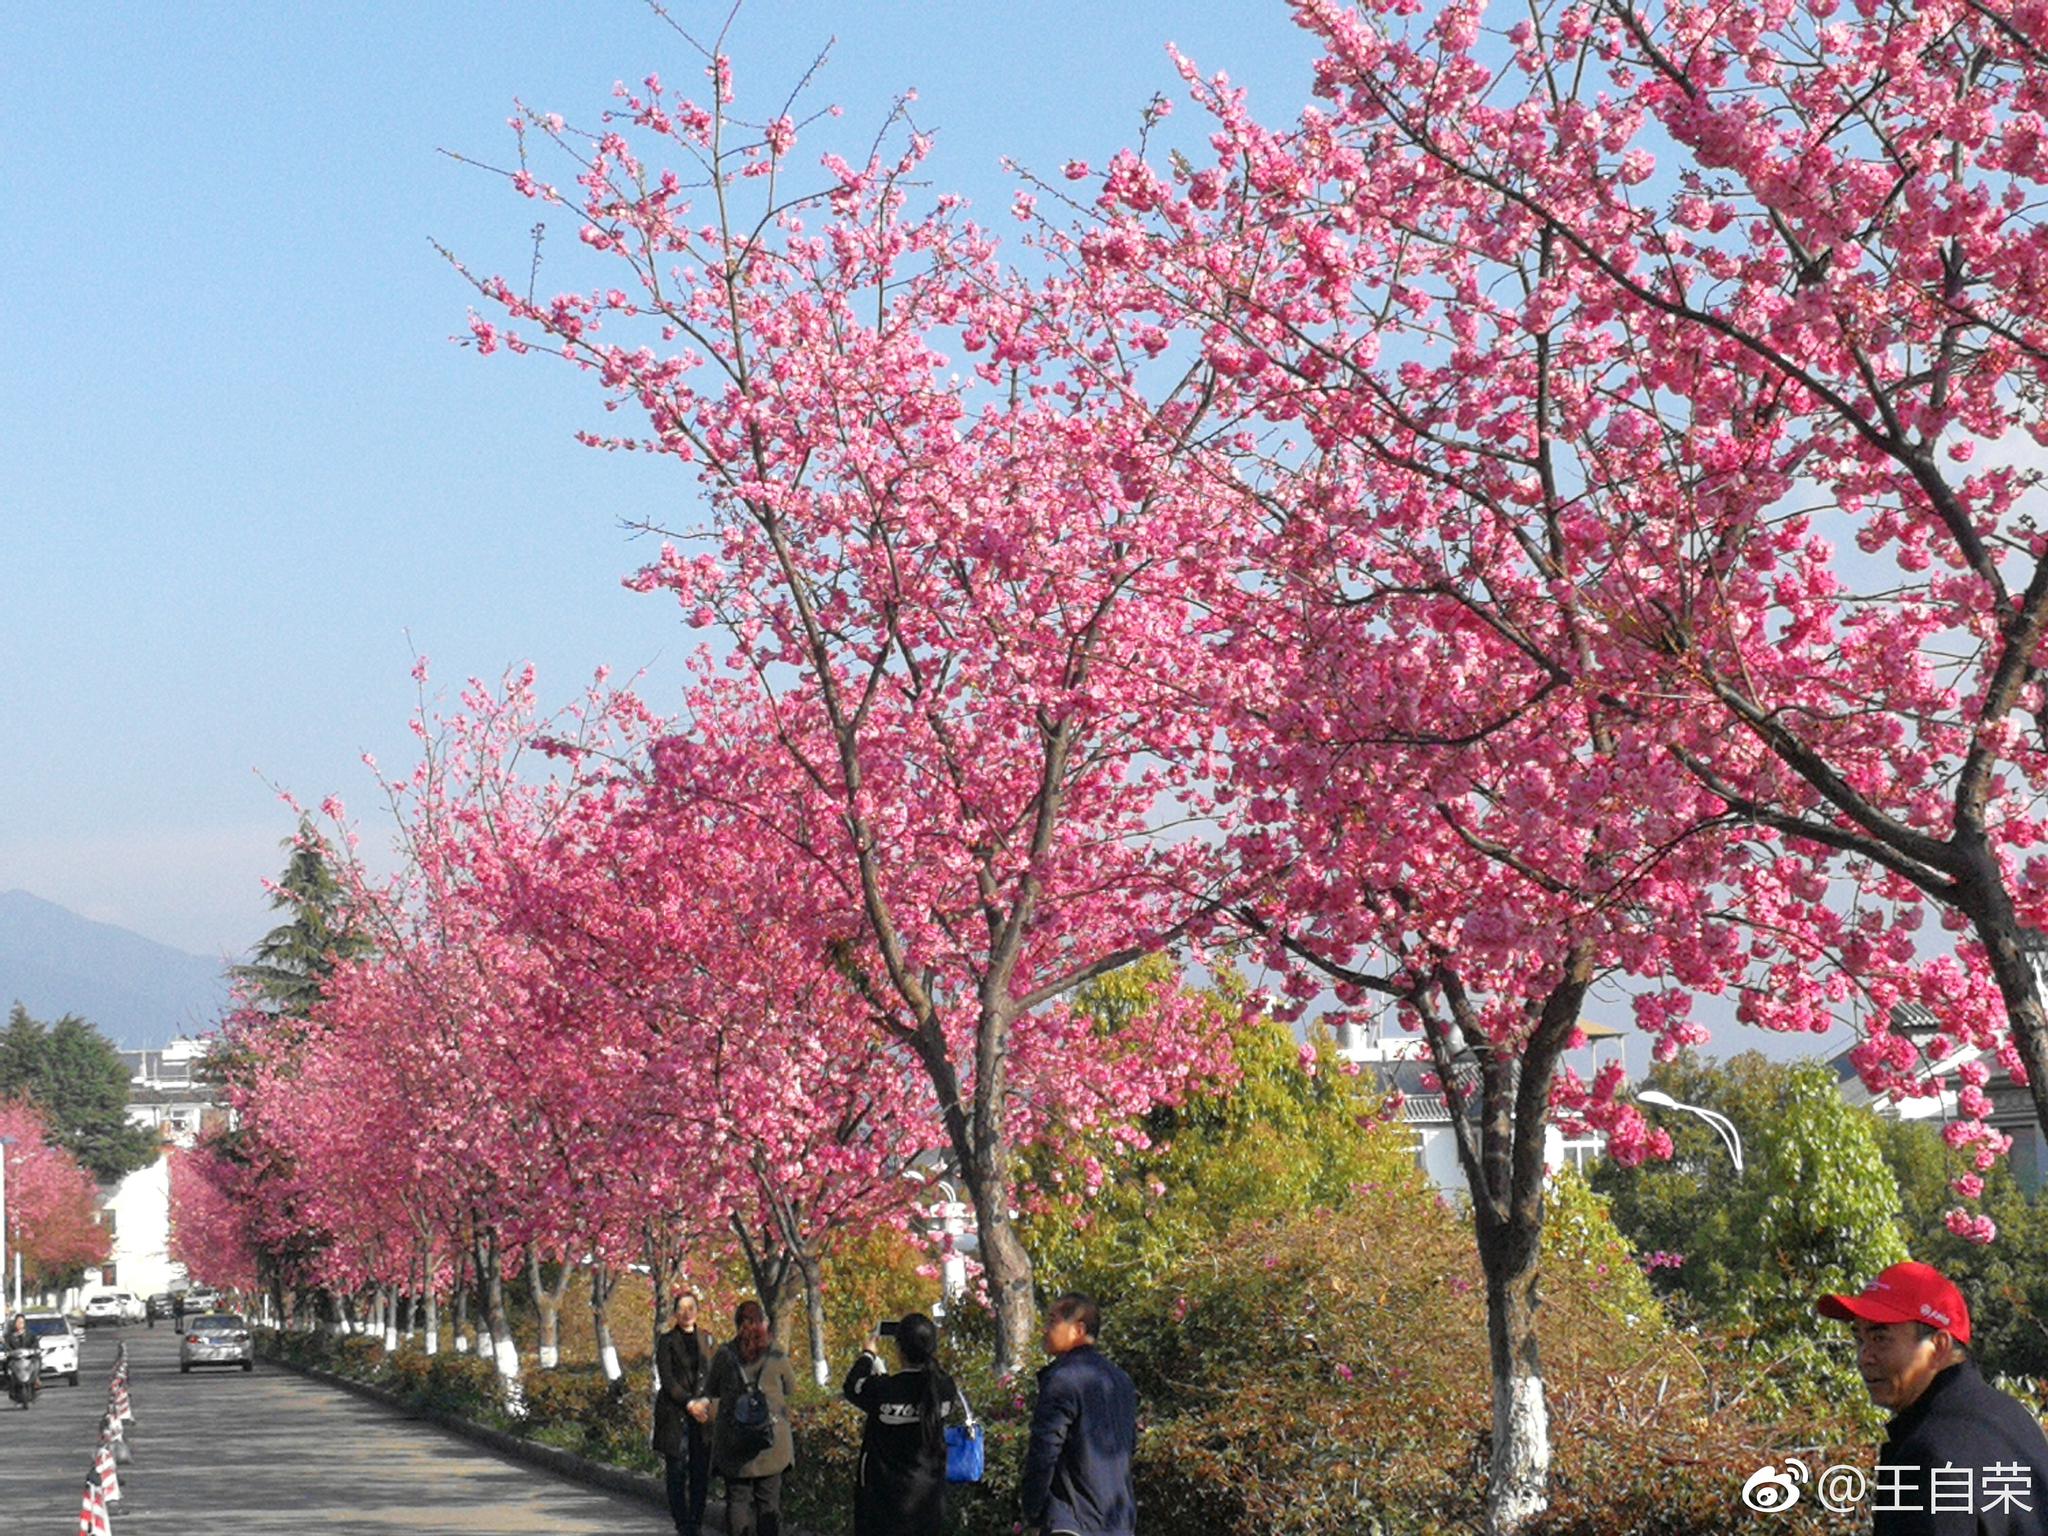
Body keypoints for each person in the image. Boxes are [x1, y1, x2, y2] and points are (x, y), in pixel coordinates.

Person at [1818, 1260, 2048, 1536]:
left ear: (1938, 1347)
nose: (1864, 1357)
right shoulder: (2012, 1416)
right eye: (1860, 1339)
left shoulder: (1928, 1453)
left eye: (1880, 1338)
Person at [1020, 1293, 1137, 1536]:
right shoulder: (1121, 1380)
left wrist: (1032, 1509)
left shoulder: (1062, 1380)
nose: (1045, 1329)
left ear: (1078, 1330)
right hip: (1119, 1519)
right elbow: (1129, 1446)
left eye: (1053, 1321)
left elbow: (1044, 1450)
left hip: (1072, 1520)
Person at [843, 1312, 963, 1536]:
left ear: (900, 1349)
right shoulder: (945, 1388)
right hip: (928, 1498)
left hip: (885, 1500)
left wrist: (868, 1354)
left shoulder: (884, 1389)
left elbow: (853, 1387)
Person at [700, 1298, 797, 1536]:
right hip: (770, 1440)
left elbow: (711, 1390)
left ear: (736, 1324)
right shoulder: (775, 1353)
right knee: (769, 1504)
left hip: (735, 1440)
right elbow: (791, 1387)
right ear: (762, 1322)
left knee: (737, 1500)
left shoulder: (725, 1355)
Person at [653, 1288, 719, 1536]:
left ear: (698, 1311)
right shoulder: (667, 1342)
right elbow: (667, 1380)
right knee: (677, 1471)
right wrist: (689, 1403)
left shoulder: (709, 1340)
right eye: (681, 1309)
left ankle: (696, 1521)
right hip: (676, 1413)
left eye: (691, 1308)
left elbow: (715, 1375)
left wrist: (705, 1403)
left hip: (702, 1414)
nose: (686, 1313)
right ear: (674, 1313)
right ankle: (682, 1522)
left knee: (700, 1472)